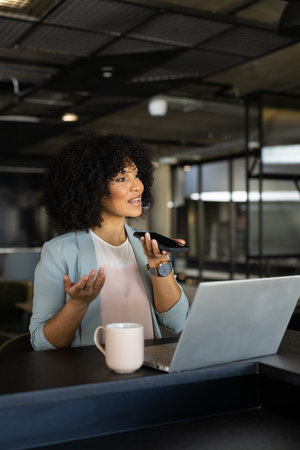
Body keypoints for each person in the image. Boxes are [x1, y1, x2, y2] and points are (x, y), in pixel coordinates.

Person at [29, 133, 189, 350]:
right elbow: (41, 344)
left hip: (149, 374)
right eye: (122, 179)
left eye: (137, 175)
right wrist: (77, 304)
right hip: (95, 378)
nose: (137, 186)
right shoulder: (59, 252)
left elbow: (178, 322)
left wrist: (159, 265)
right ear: (92, 188)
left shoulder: (147, 245)